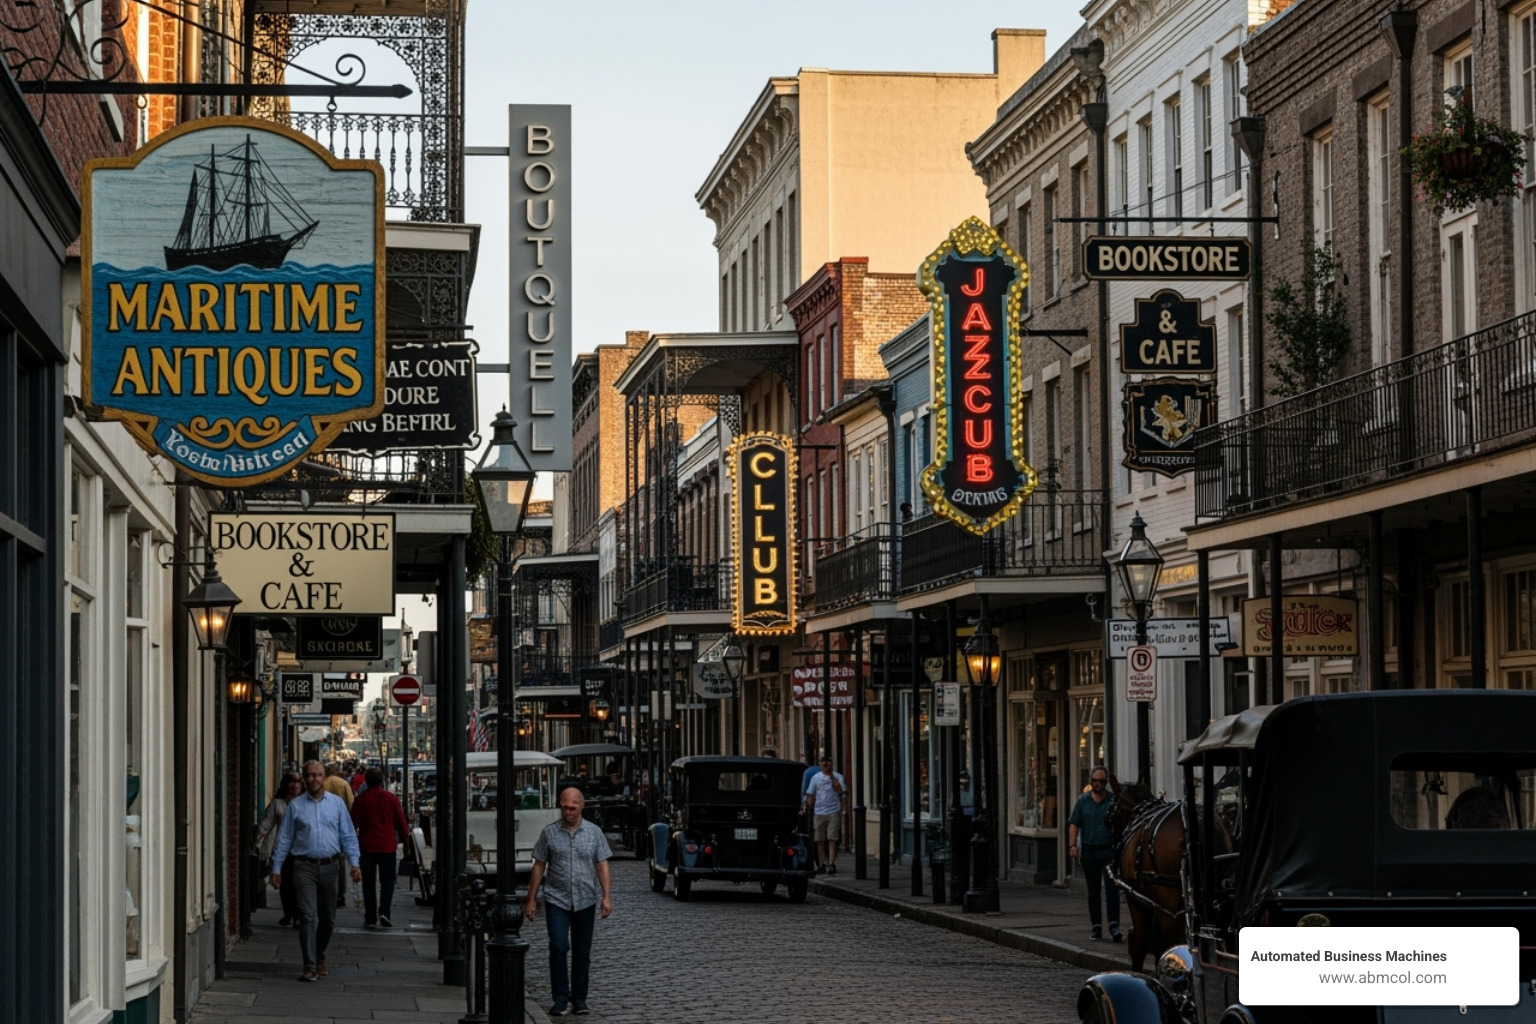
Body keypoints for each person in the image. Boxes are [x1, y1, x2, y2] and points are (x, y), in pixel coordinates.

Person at [270, 760, 363, 982]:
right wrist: (276, 868)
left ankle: (319, 954)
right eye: (310, 775)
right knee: (308, 917)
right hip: (303, 867)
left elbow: (347, 834)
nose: (314, 779)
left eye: (318, 775)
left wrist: (354, 863)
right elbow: (284, 838)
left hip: (331, 866)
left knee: (328, 919)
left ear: (324, 777)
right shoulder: (296, 806)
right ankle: (309, 964)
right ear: (304, 778)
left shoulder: (337, 804)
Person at [524, 786, 613, 1017]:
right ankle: (560, 999)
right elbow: (539, 865)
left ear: (582, 806)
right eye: (565, 807)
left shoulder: (594, 833)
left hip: (585, 899)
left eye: (573, 807)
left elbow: (602, 865)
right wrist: (531, 899)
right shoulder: (549, 833)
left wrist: (606, 897)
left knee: (582, 953)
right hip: (557, 899)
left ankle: (580, 999)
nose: (569, 812)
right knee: (559, 946)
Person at [350, 766, 410, 928]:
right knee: (388, 881)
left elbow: (351, 824)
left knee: (368, 883)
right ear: (382, 781)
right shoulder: (391, 799)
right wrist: (406, 842)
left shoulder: (361, 800)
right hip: (387, 846)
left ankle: (370, 916)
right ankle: (384, 911)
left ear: (366, 781)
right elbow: (401, 823)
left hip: (367, 846)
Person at [1067, 765, 1122, 942]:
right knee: (1093, 890)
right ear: (1091, 781)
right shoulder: (1083, 801)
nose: (1098, 784)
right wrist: (1072, 845)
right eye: (1095, 780)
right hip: (1089, 850)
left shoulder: (1112, 801)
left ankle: (1114, 926)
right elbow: (1074, 823)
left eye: (1101, 781)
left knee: (1112, 889)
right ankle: (1096, 927)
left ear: (1106, 783)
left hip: (1108, 850)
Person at [256, 772, 304, 927]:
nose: (295, 785)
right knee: (285, 884)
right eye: (291, 781)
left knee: (300, 884)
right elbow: (266, 825)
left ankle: (298, 916)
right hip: (283, 850)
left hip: (302, 850)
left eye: (298, 781)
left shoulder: (306, 803)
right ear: (285, 784)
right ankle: (289, 914)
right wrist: (257, 840)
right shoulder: (278, 804)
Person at [804, 756, 846, 875]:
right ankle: (821, 864)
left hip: (834, 811)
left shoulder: (838, 777)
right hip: (819, 812)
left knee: (832, 839)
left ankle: (831, 864)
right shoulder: (815, 778)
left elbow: (839, 790)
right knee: (820, 840)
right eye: (824, 763)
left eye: (828, 763)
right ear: (820, 764)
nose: (826, 766)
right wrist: (810, 804)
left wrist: (831, 775)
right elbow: (810, 794)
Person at [800, 757, 823, 871]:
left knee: (812, 836)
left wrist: (803, 807)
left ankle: (818, 862)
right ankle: (828, 861)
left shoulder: (807, 773)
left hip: (813, 808)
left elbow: (804, 793)